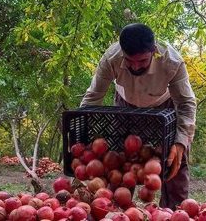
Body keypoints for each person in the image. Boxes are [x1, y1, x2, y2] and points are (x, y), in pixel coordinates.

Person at [80, 23, 196, 209]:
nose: (135, 67)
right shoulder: (112, 58)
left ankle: (174, 211)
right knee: (118, 162)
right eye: (129, 61)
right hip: (126, 106)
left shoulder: (172, 61)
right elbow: (93, 96)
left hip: (163, 108)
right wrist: (83, 136)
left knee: (175, 161)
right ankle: (117, 211)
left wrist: (181, 141)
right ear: (122, 53)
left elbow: (185, 103)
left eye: (142, 61)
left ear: (154, 51)